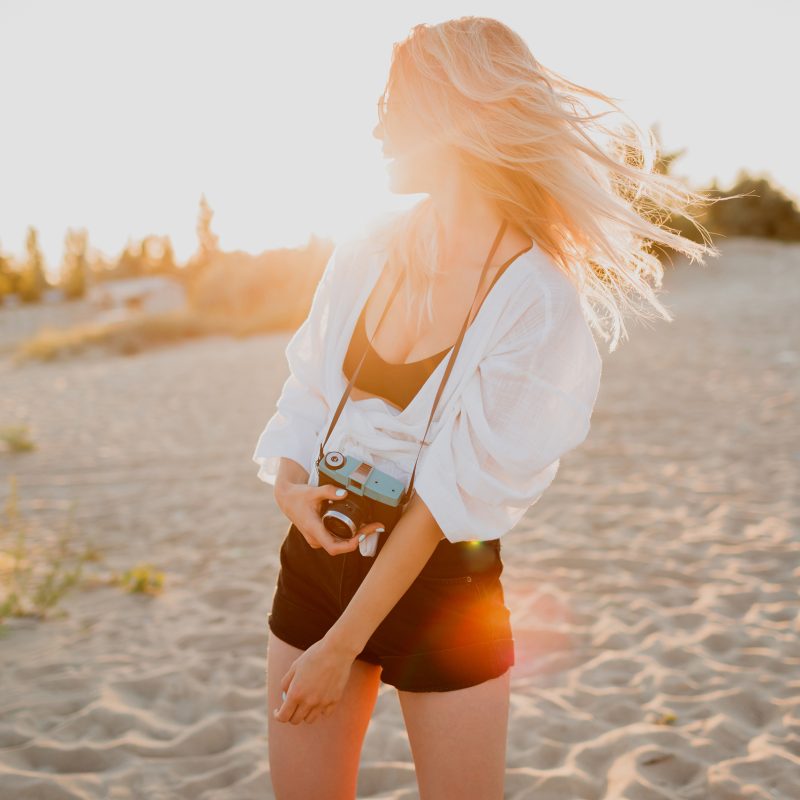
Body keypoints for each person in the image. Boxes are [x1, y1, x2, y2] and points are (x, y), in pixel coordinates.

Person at [252, 16, 718, 800]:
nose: (373, 125)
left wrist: (343, 646)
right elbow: (308, 388)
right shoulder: (366, 243)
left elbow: (445, 499)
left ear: (448, 114)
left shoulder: (535, 296)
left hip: (441, 595)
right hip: (315, 570)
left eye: (389, 103)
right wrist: (289, 485)